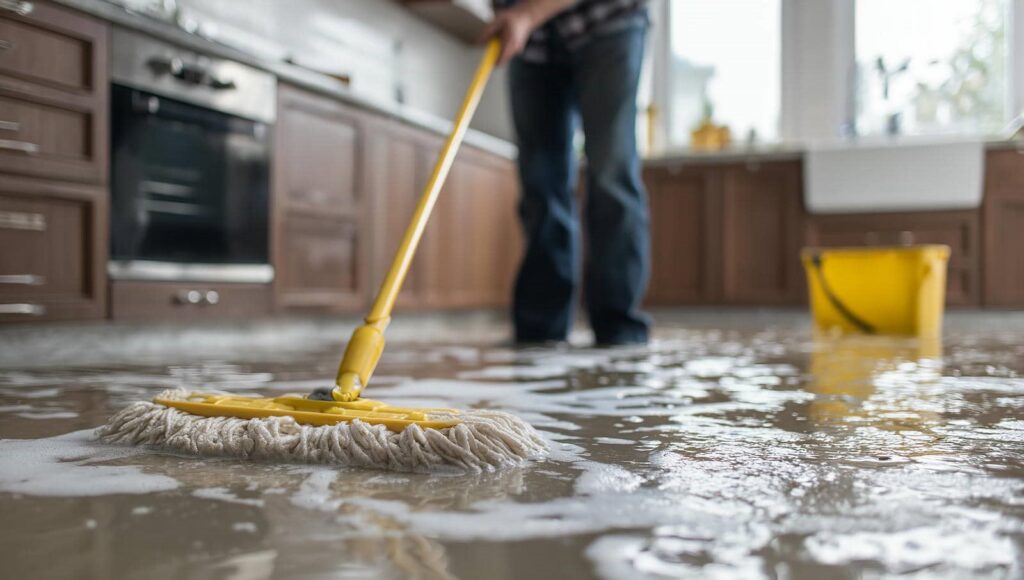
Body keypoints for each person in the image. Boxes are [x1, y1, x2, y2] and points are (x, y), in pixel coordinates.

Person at [483, 0, 652, 347]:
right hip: (533, 42)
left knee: (611, 174)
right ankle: (540, 330)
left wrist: (526, 14)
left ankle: (618, 329)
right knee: (540, 184)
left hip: (608, 20)